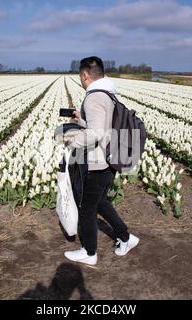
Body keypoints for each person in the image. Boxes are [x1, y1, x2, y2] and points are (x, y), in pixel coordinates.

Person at [62, 56, 139, 266]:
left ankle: (89, 252)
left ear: (85, 75)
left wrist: (71, 142)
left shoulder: (94, 96)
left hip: (98, 163)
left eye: (80, 76)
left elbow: (95, 133)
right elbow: (103, 125)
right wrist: (81, 119)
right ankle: (126, 238)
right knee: (101, 203)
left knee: (87, 209)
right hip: (109, 160)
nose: (80, 79)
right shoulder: (107, 94)